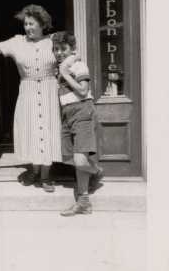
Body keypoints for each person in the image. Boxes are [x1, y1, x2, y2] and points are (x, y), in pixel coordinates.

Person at [0, 4, 79, 192]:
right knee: (33, 130)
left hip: (50, 91)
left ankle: (46, 175)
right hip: (28, 91)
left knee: (49, 130)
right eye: (25, 24)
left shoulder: (53, 40)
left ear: (42, 24)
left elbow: (74, 52)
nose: (28, 27)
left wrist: (67, 65)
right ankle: (34, 170)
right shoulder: (17, 42)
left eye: (32, 23)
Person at [52, 31, 104, 216]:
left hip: (82, 110)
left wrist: (65, 74)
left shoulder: (77, 65)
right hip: (67, 114)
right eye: (56, 49)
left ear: (72, 49)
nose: (59, 52)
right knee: (73, 159)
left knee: (80, 161)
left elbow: (83, 91)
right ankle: (83, 202)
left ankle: (97, 172)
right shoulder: (63, 65)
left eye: (63, 49)